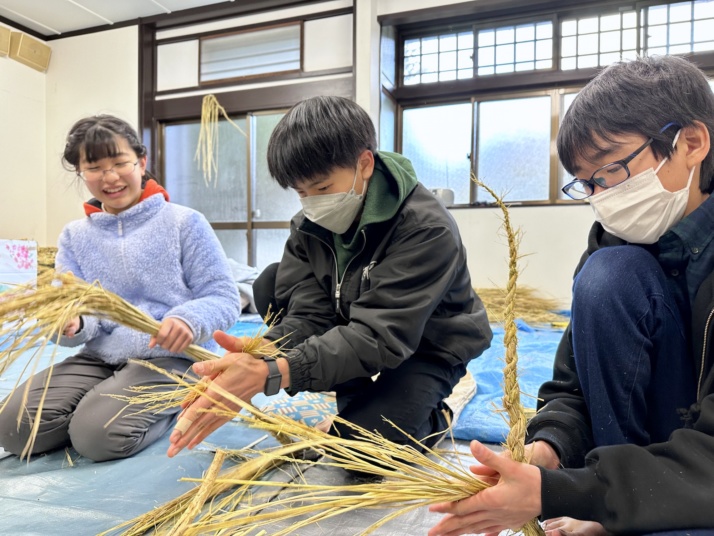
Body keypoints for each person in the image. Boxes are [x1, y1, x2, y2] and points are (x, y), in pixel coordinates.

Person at [429, 54, 714, 536]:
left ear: (691, 142)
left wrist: (569, 494)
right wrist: (549, 452)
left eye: (611, 171)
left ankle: (626, 506)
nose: (601, 196)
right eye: (587, 183)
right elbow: (575, 384)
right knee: (608, 275)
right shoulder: (615, 238)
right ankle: (626, 505)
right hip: (652, 455)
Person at [166, 95, 492, 463]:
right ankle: (359, 404)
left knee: (365, 454)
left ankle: (436, 411)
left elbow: (379, 336)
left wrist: (274, 373)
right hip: (359, 326)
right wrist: (266, 351)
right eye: (301, 192)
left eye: (321, 189)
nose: (311, 203)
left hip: (427, 343)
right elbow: (310, 312)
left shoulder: (424, 228)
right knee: (270, 284)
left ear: (364, 164)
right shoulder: (310, 225)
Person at [0, 115, 241, 462]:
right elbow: (79, 309)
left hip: (170, 358)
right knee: (14, 427)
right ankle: (94, 408)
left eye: (119, 163)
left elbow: (222, 295)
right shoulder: (75, 236)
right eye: (95, 167)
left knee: (97, 437)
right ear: (81, 173)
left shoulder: (184, 222)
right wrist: (73, 323)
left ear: (141, 162)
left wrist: (187, 320)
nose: (110, 177)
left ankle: (174, 404)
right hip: (101, 356)